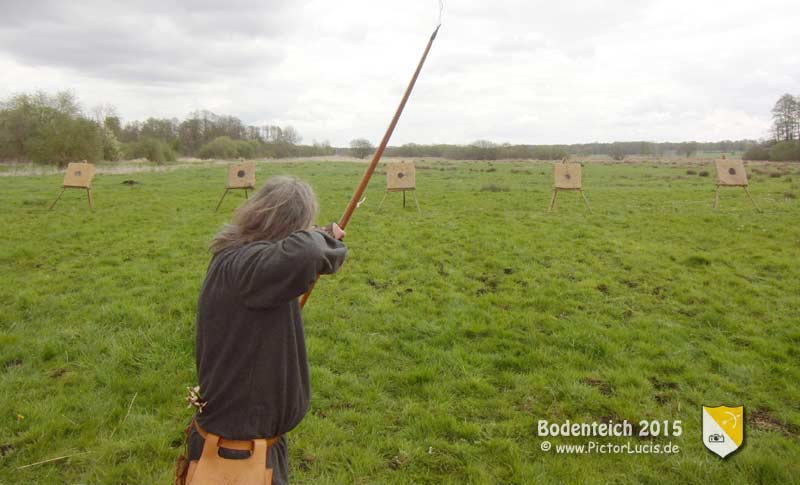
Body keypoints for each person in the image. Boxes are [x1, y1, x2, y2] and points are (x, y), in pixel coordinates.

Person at [183, 175, 347, 484]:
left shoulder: (244, 260)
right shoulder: (246, 267)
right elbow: (307, 253)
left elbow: (297, 254)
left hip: (250, 441)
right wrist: (323, 241)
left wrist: (320, 236)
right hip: (236, 453)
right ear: (291, 226)